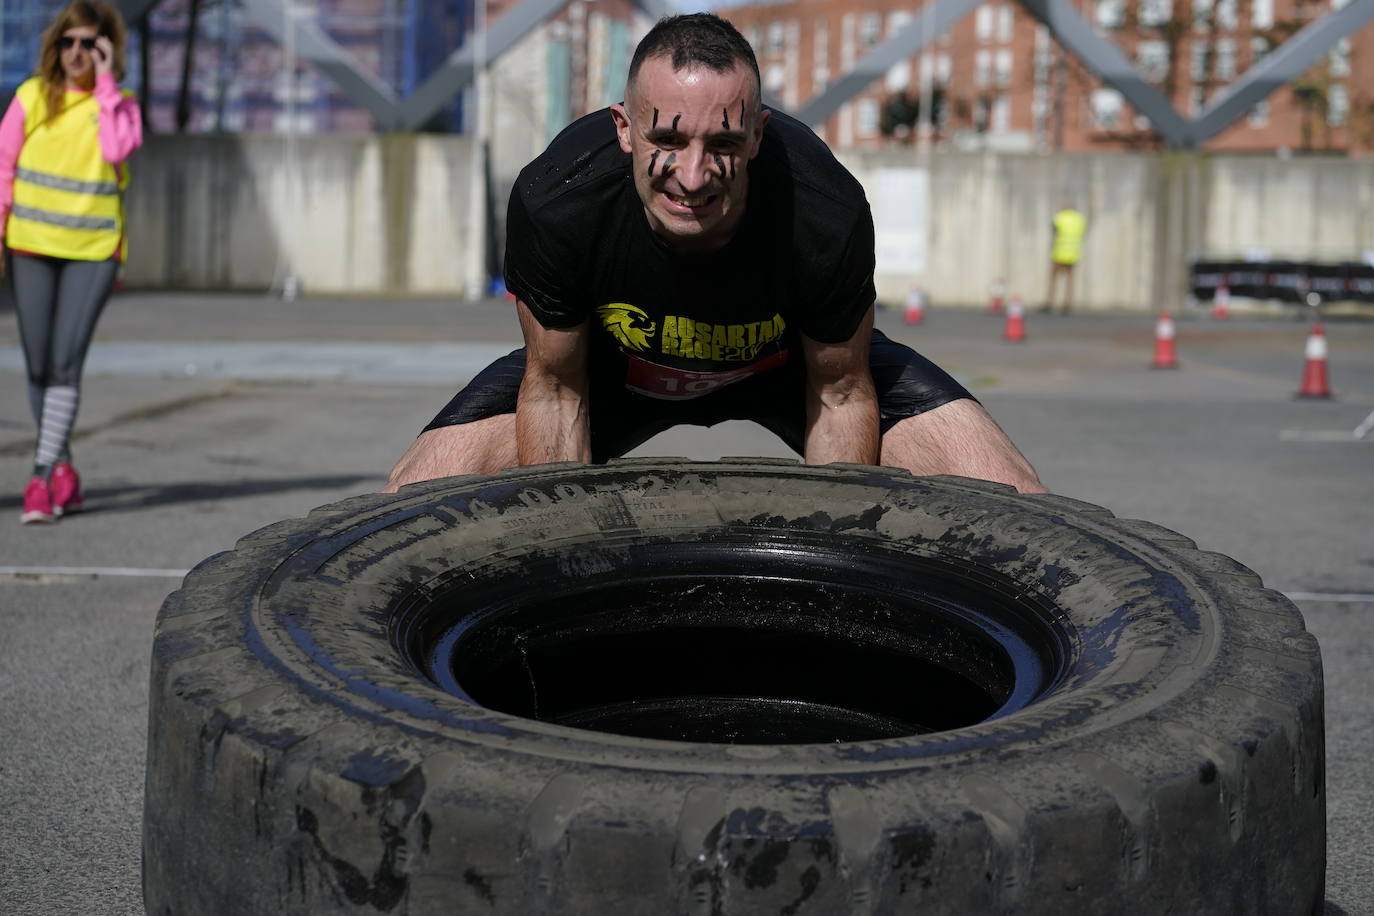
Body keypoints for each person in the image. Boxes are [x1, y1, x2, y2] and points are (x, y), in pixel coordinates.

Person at [385, 13, 1045, 494]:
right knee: (405, 505)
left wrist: (839, 562)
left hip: (794, 372)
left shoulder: (824, 210)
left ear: (758, 136)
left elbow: (841, 393)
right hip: (606, 373)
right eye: (668, 139)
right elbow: (556, 389)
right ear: (624, 129)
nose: (694, 176)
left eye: (723, 146)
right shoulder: (558, 201)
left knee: (1023, 502)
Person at [0, 0, 141, 524]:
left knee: (63, 363)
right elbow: (3, 169)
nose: (77, 52)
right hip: (32, 245)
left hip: (92, 252)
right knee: (38, 365)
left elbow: (117, 149)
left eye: (89, 43)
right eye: (69, 42)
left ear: (105, 49)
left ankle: (40, 478)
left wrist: (105, 85)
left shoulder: (120, 104)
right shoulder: (31, 97)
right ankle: (64, 470)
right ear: (55, 45)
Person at [1044, 204, 1086, 314]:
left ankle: (1050, 302)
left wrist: (1052, 246)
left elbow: (1054, 232)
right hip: (1073, 252)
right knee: (1070, 279)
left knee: (1054, 278)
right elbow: (1083, 233)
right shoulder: (1079, 219)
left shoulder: (1060, 217)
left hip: (1059, 251)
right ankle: (1067, 303)